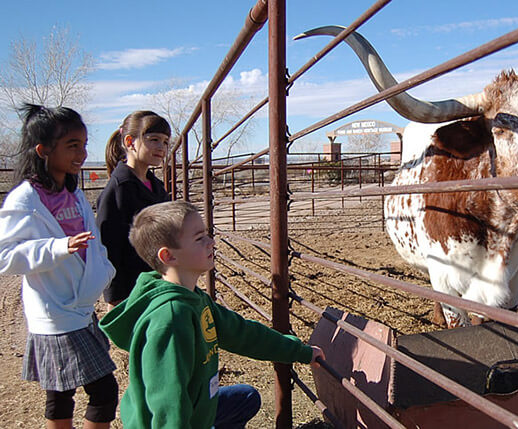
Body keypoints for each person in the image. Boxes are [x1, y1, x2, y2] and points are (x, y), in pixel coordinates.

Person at [99, 200, 325, 428]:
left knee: (246, 398)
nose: (211, 242)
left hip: (197, 409)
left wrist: (300, 351)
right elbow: (168, 405)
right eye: (199, 239)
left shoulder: (194, 298)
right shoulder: (171, 320)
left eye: (207, 234)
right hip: (169, 421)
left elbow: (242, 333)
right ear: (168, 256)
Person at [0, 104, 118, 429]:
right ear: (43, 150)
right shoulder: (25, 199)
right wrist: (56, 247)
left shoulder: (74, 192)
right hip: (54, 310)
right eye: (72, 146)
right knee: (103, 391)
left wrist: (102, 268)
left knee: (63, 393)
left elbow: (91, 241)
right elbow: (4, 255)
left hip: (80, 306)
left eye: (83, 144)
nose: (82, 153)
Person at [96, 110, 171, 307]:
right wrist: (115, 295)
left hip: (157, 280)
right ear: (130, 142)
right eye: (153, 139)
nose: (161, 147)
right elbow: (108, 244)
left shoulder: (157, 186)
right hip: (131, 289)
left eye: (165, 142)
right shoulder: (118, 189)